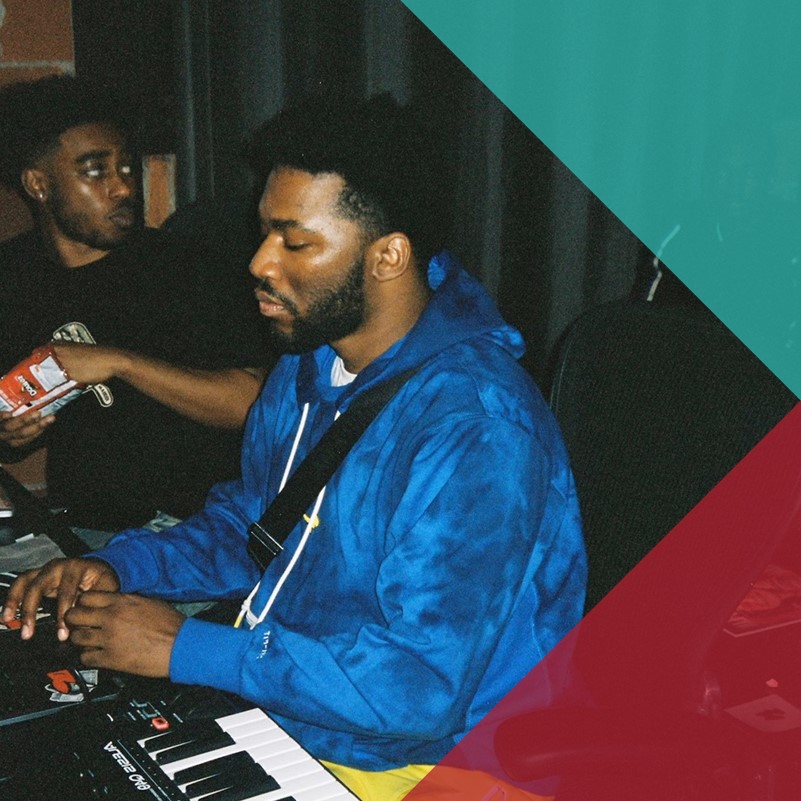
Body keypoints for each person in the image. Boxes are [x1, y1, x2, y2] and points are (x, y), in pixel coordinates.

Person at [3, 94, 587, 799]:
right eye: (262, 234)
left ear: (387, 255)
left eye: (294, 241)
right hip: (297, 714)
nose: (257, 262)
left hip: (433, 758)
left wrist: (184, 647)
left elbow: (418, 688)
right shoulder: (308, 367)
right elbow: (249, 528)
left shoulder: (476, 428)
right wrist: (117, 565)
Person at [0, 75, 269, 532]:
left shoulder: (185, 266)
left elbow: (250, 401)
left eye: (127, 168)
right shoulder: (12, 276)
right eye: (95, 171)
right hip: (85, 527)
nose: (123, 187)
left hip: (199, 531)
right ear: (38, 185)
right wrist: (9, 434)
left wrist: (120, 362)